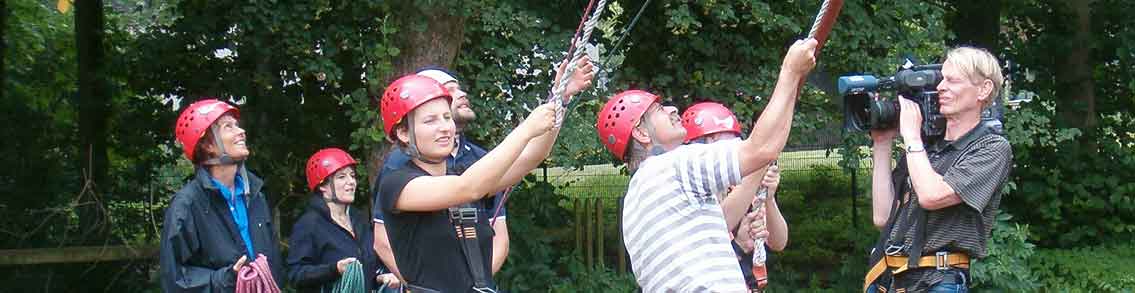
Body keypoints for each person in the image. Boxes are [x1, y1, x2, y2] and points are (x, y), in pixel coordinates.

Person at [595, 38, 817, 291]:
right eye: (658, 110)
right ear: (642, 134)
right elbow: (762, 148)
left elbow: (719, 223)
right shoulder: (671, 166)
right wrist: (790, 72)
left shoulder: (635, 201)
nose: (671, 109)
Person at [371, 58, 594, 280]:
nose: (444, 128)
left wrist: (560, 98)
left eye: (447, 117)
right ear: (403, 133)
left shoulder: (463, 173)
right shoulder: (397, 183)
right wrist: (526, 129)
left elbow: (532, 156)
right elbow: (467, 188)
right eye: (430, 121)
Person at [864, 46, 1012, 292]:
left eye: (952, 80)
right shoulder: (928, 149)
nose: (941, 86)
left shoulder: (992, 147)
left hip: (939, 281)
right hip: (891, 279)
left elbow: (931, 196)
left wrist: (911, 137)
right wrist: (882, 144)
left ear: (983, 89)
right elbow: (882, 217)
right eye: (942, 78)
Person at [160, 98, 284, 292]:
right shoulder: (187, 204)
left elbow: (274, 260)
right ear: (207, 145)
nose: (241, 131)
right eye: (228, 127)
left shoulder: (255, 195)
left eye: (237, 125)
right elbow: (175, 279)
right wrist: (226, 279)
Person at [680, 101, 788, 291]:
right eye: (723, 147)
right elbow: (711, 240)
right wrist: (738, 245)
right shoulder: (690, 195)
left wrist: (768, 198)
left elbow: (779, 242)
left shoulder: (740, 188)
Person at [288, 148, 399, 292]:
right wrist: (335, 269)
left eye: (352, 176)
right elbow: (296, 275)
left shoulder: (359, 219)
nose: (351, 182)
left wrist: (381, 277)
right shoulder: (309, 225)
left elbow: (369, 266)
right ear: (323, 186)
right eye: (341, 177)